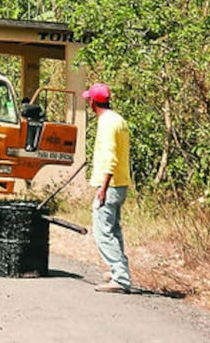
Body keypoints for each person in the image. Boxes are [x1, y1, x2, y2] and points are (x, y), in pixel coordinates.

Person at [84, 83, 133, 293]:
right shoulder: (118, 120)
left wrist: (102, 187)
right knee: (113, 229)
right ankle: (117, 270)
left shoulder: (106, 123)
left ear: (92, 102)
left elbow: (110, 157)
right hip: (120, 183)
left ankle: (121, 277)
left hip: (110, 184)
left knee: (102, 232)